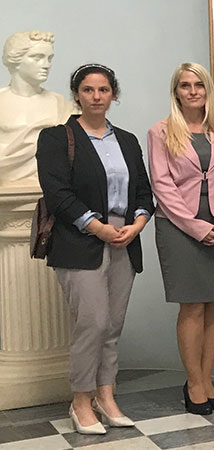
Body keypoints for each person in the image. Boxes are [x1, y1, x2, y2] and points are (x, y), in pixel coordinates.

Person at [37, 64, 152, 434]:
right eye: (88, 90)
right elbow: (58, 194)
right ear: (77, 94)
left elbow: (143, 192)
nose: (96, 96)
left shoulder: (128, 140)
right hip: (81, 239)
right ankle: (81, 401)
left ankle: (106, 395)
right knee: (92, 323)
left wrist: (137, 223)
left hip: (125, 238)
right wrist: (97, 227)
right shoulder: (57, 138)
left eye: (103, 90)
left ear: (113, 94)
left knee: (113, 326)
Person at [148, 62, 214, 415]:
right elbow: (162, 186)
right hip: (179, 229)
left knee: (213, 304)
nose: (193, 91)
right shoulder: (160, 132)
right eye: (185, 85)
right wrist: (198, 228)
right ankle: (193, 384)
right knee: (192, 306)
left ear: (208, 90)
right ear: (176, 92)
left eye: (199, 85)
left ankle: (206, 380)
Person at [1, 30, 75, 186]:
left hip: (51, 190)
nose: (46, 65)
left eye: (49, 58)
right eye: (37, 57)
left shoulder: (63, 106)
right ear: (15, 60)